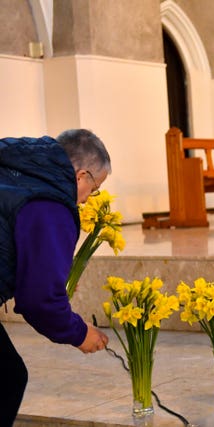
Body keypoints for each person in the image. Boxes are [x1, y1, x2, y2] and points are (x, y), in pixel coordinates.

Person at [0, 129, 111, 425]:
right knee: (5, 379)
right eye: (94, 188)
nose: (87, 200)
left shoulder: (16, 168)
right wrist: (78, 333)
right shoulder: (51, 204)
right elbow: (40, 299)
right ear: (80, 176)